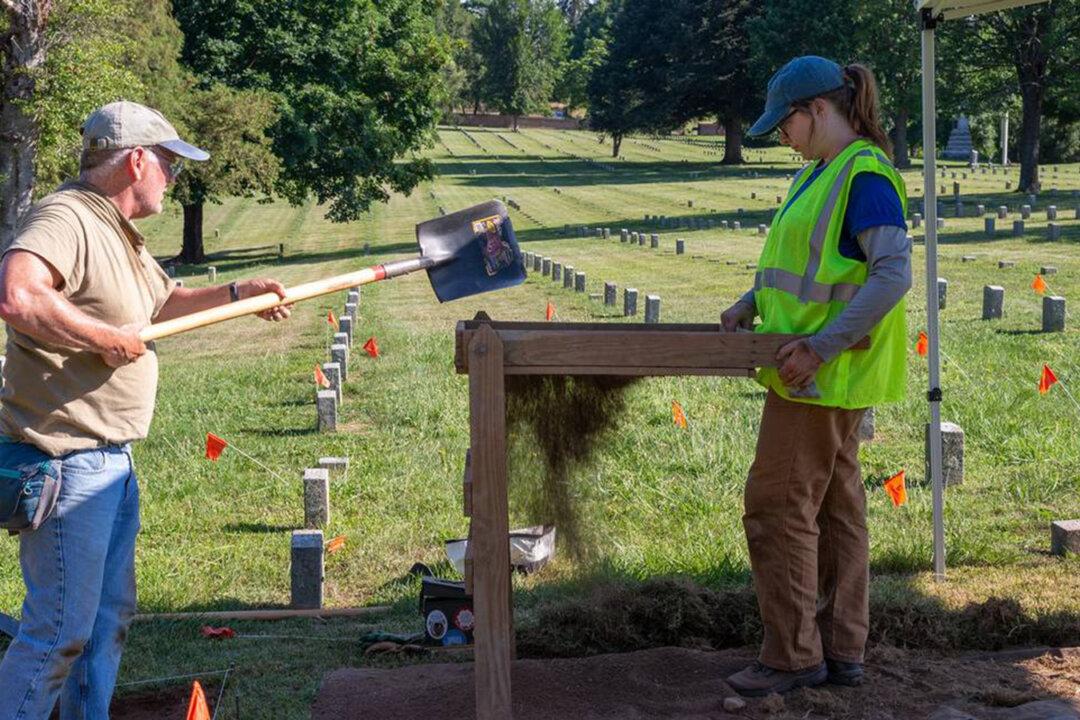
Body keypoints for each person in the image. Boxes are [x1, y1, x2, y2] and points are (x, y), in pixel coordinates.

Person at [0, 101, 292, 719]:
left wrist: (242, 294)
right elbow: (20, 295)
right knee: (57, 634)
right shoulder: (68, 217)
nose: (174, 179)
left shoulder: (119, 233)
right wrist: (102, 339)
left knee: (103, 628)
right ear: (137, 160)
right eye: (170, 165)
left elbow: (165, 306)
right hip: (64, 463)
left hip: (110, 463)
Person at [720, 57, 911, 696]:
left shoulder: (863, 176)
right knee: (835, 509)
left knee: (776, 506)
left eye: (787, 123)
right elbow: (803, 263)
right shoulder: (819, 175)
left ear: (820, 111)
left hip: (818, 378)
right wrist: (751, 301)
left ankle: (793, 658)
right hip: (813, 371)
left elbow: (891, 275)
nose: (782, 135)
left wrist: (822, 348)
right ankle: (839, 650)